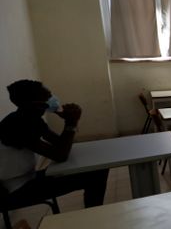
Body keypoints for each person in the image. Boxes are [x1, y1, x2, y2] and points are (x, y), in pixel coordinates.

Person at [0, 80, 109, 214]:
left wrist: (69, 122)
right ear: (31, 103)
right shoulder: (17, 124)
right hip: (14, 190)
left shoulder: (31, 118)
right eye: (47, 96)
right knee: (95, 174)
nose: (52, 99)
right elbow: (60, 155)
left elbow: (59, 143)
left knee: (97, 168)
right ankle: (94, 216)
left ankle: (93, 213)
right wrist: (71, 122)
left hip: (27, 177)